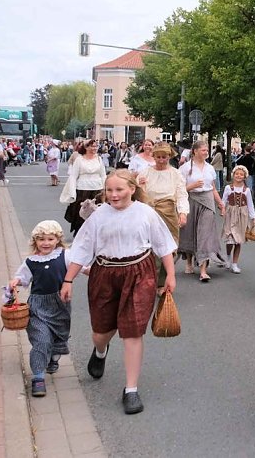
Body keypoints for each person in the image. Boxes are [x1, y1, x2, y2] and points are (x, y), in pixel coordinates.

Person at [61, 170, 177, 415]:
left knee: (133, 330)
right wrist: (68, 279)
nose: (113, 195)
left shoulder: (146, 213)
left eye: (119, 190)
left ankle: (131, 389)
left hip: (139, 272)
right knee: (101, 332)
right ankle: (100, 350)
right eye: (109, 190)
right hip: (105, 274)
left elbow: (163, 245)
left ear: (132, 189)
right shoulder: (98, 216)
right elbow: (81, 249)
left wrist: (170, 275)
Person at [8, 220, 72, 397]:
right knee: (41, 340)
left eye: (50, 239)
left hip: (60, 304)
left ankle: (53, 358)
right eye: (41, 239)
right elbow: (22, 277)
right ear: (35, 241)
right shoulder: (31, 261)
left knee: (59, 337)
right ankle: (38, 377)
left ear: (57, 240)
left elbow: (80, 267)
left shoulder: (65, 255)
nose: (46, 243)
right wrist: (16, 281)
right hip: (38, 307)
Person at [178, 140, 226, 282]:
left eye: (207, 150)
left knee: (205, 234)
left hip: (207, 200)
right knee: (190, 231)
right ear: (195, 151)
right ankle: (189, 261)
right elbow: (179, 190)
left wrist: (220, 203)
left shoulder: (210, 168)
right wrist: (191, 186)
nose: (206, 152)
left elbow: (213, 188)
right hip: (191, 199)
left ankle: (203, 270)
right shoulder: (185, 168)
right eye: (203, 150)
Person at [136, 143, 188, 244]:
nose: (161, 160)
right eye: (158, 157)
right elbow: (136, 193)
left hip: (168, 213)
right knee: (149, 243)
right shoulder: (145, 172)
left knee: (170, 242)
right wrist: (139, 185)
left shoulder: (176, 174)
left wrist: (183, 213)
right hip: (149, 212)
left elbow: (182, 194)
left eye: (164, 157)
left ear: (169, 157)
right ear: (154, 157)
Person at [61, 139, 106, 235]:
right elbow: (73, 176)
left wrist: (105, 189)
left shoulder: (99, 159)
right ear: (86, 147)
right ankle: (80, 233)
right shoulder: (79, 159)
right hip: (82, 189)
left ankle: (95, 233)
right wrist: (72, 192)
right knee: (81, 213)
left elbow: (103, 175)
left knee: (97, 212)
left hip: (97, 189)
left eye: (96, 146)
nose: (94, 148)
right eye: (92, 146)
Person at [221, 165, 255, 274]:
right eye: (237, 174)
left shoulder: (247, 190)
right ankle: (228, 257)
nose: (239, 176)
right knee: (230, 239)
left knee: (238, 240)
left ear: (245, 176)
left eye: (241, 174)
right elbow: (223, 201)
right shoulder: (228, 188)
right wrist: (222, 209)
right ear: (233, 175)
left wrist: (253, 218)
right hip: (230, 214)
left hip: (242, 215)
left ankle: (235, 263)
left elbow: (250, 205)